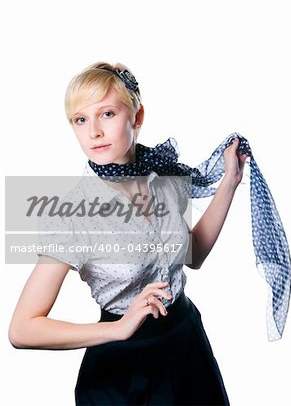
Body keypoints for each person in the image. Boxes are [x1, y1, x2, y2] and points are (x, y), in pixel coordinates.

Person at [8, 61, 248, 406]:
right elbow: (22, 329)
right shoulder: (74, 214)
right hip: (123, 374)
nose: (94, 132)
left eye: (106, 113)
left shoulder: (164, 180)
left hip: (187, 345)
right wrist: (117, 329)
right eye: (80, 119)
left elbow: (193, 254)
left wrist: (230, 183)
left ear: (137, 117)